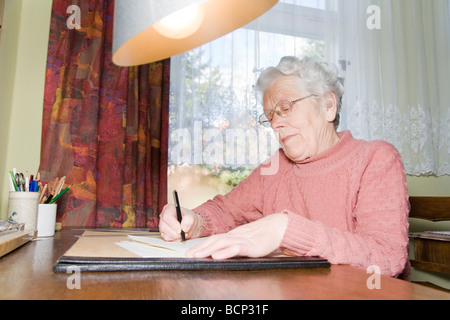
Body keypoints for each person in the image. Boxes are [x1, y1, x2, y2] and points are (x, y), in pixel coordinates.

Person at [159, 56, 410, 277]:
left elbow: (386, 257)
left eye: (286, 108)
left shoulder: (375, 159)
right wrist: (194, 221)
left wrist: (286, 229)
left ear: (328, 106)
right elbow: (227, 210)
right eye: (270, 115)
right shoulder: (276, 167)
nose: (276, 123)